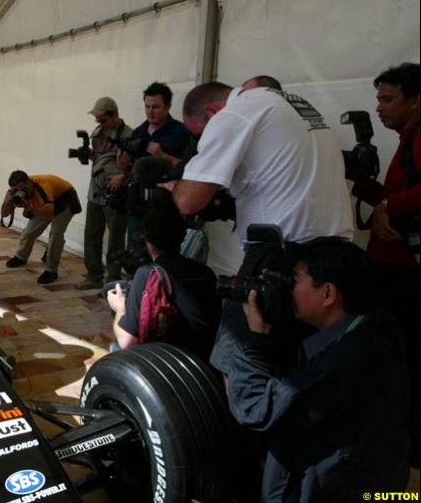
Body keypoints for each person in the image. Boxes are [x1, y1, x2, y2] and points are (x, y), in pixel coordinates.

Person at [164, 81, 354, 373]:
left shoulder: (236, 113)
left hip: (281, 257)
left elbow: (189, 201)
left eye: (200, 136)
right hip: (336, 255)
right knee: (302, 364)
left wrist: (176, 185)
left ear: (212, 111)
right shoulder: (296, 105)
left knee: (234, 364)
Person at [228, 238, 409, 502]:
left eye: (294, 280)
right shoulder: (377, 329)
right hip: (381, 486)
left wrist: (255, 340)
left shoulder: (344, 362)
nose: (286, 288)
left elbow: (256, 409)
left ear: (327, 294)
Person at [367, 62, 420, 468]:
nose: (380, 108)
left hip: (404, 273)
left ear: (416, 100)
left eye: (388, 99)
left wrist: (390, 206)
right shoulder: (407, 139)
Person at [107, 198, 220, 361]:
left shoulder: (147, 274)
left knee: (115, 347)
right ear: (182, 237)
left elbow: (127, 342)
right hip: (202, 360)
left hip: (168, 362)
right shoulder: (206, 272)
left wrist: (119, 308)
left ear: (147, 240)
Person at [123, 82, 192, 243]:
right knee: (135, 253)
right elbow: (132, 172)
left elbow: (191, 168)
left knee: (163, 255)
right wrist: (123, 168)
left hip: (166, 207)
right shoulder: (138, 133)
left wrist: (164, 156)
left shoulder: (182, 133)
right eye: (147, 107)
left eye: (155, 107)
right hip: (138, 204)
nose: (150, 112)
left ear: (168, 107)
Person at [77, 97, 133, 290]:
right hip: (95, 194)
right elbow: (99, 158)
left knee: (116, 240)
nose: (98, 123)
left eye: (102, 119)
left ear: (114, 115)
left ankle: (114, 279)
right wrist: (86, 154)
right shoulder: (97, 133)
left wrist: (123, 177)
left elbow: (137, 165)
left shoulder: (129, 135)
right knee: (91, 237)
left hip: (116, 196)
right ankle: (93, 275)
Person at [2, 170, 82, 284]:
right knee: (28, 232)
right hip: (44, 204)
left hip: (65, 202)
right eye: (17, 190)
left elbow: (49, 214)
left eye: (23, 189)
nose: (21, 192)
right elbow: (5, 214)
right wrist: (8, 201)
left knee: (55, 234)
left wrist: (28, 205)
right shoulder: (15, 191)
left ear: (29, 182)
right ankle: (21, 257)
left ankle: (51, 270)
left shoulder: (43, 186)